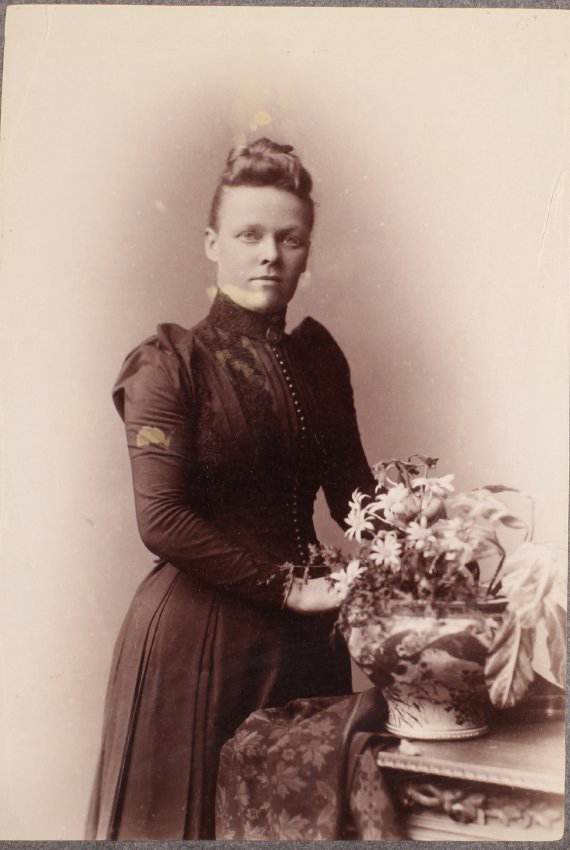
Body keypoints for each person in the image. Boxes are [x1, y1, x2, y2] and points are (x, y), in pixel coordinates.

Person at [86, 138, 377, 840]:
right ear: (213, 244)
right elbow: (161, 519)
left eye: (289, 237)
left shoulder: (319, 357)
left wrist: (434, 555)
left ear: (307, 251)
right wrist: (287, 588)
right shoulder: (169, 362)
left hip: (306, 644)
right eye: (249, 234)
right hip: (199, 645)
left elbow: (354, 498)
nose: (269, 254)